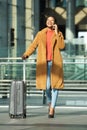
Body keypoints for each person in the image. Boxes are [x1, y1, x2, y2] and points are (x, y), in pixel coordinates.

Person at [22, 16, 65, 118]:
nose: (50, 22)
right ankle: (50, 101)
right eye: (48, 20)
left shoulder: (58, 34)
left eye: (52, 20)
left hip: (55, 63)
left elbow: (61, 46)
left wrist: (56, 32)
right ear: (46, 22)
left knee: (56, 86)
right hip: (44, 64)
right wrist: (26, 54)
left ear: (55, 23)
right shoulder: (41, 34)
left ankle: (52, 108)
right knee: (46, 86)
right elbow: (33, 45)